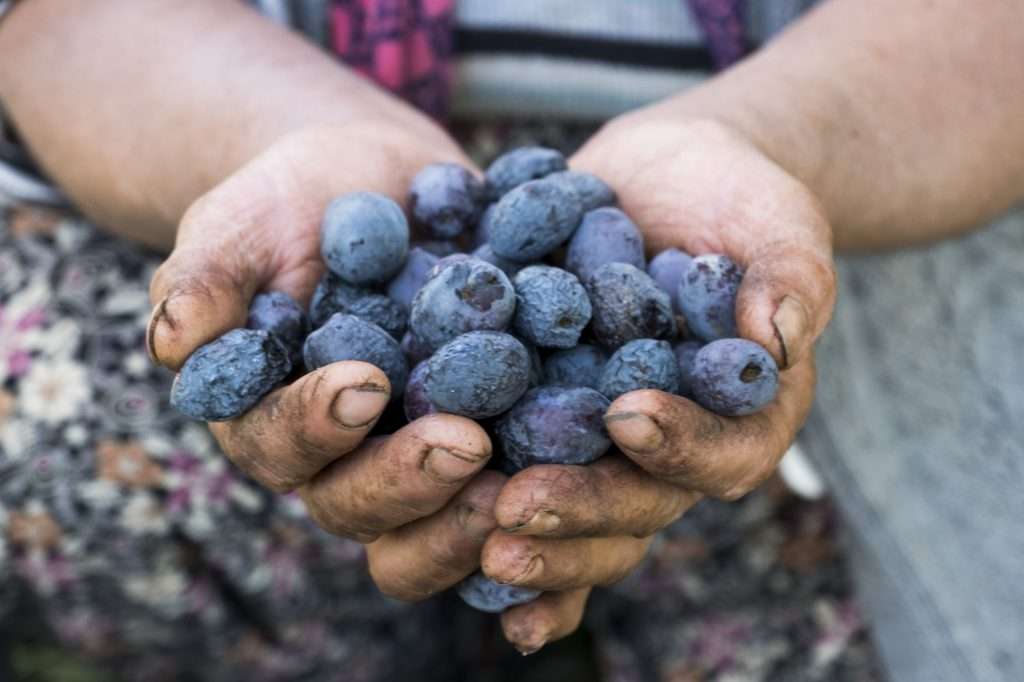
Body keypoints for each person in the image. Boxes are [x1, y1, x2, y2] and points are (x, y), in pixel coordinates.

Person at [0, 1, 1020, 680]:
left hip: (836, 171)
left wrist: (763, 138)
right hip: (238, 139)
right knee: (77, 441)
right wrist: (274, 136)